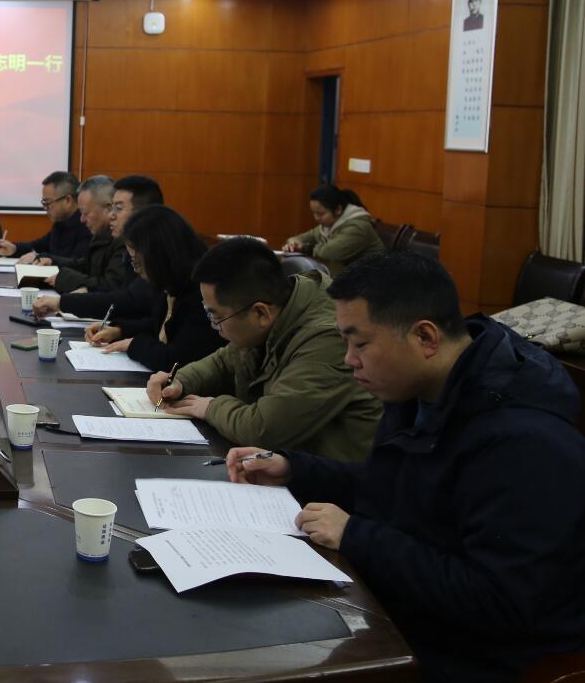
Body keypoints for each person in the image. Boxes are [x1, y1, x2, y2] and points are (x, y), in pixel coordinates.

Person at [226, 251, 585, 683]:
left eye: (360, 343)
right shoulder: (421, 389)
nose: (348, 359)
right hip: (407, 611)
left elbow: (500, 601)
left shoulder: (525, 443)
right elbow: (399, 487)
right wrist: (296, 469)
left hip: (480, 654)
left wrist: (357, 536)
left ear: (425, 338)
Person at [147, 236, 381, 460]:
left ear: (260, 313)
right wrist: (180, 381)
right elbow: (225, 360)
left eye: (216, 317)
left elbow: (263, 430)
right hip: (286, 466)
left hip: (329, 481)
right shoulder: (278, 310)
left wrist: (209, 407)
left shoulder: (328, 339)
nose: (214, 327)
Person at [87, 205, 225, 371]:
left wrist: (134, 344)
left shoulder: (203, 292)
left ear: (159, 257)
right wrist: (119, 330)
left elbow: (174, 360)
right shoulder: (171, 284)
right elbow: (161, 326)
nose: (136, 271)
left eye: (137, 262)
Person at [34, 174, 166, 329]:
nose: (111, 215)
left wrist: (62, 301)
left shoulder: (154, 253)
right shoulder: (116, 239)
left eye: (118, 208)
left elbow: (125, 298)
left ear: (143, 213)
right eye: (112, 208)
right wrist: (120, 331)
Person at [33, 175, 129, 294]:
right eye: (81, 213)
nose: (82, 219)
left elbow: (111, 286)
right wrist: (52, 261)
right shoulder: (100, 232)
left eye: (86, 213)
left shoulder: (123, 240)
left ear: (109, 208)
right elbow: (86, 265)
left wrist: (66, 279)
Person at [282, 184, 383, 275]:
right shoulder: (329, 224)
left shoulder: (358, 226)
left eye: (320, 214)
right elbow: (302, 238)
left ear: (338, 209)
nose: (316, 218)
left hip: (371, 279)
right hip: (348, 277)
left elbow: (330, 253)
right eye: (314, 213)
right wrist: (294, 243)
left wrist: (306, 247)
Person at [0, 170, 89, 263]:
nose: (45, 208)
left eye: (48, 203)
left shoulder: (87, 225)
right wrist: (14, 248)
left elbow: (76, 264)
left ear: (68, 200)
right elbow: (37, 246)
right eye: (44, 203)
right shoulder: (60, 223)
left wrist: (40, 257)